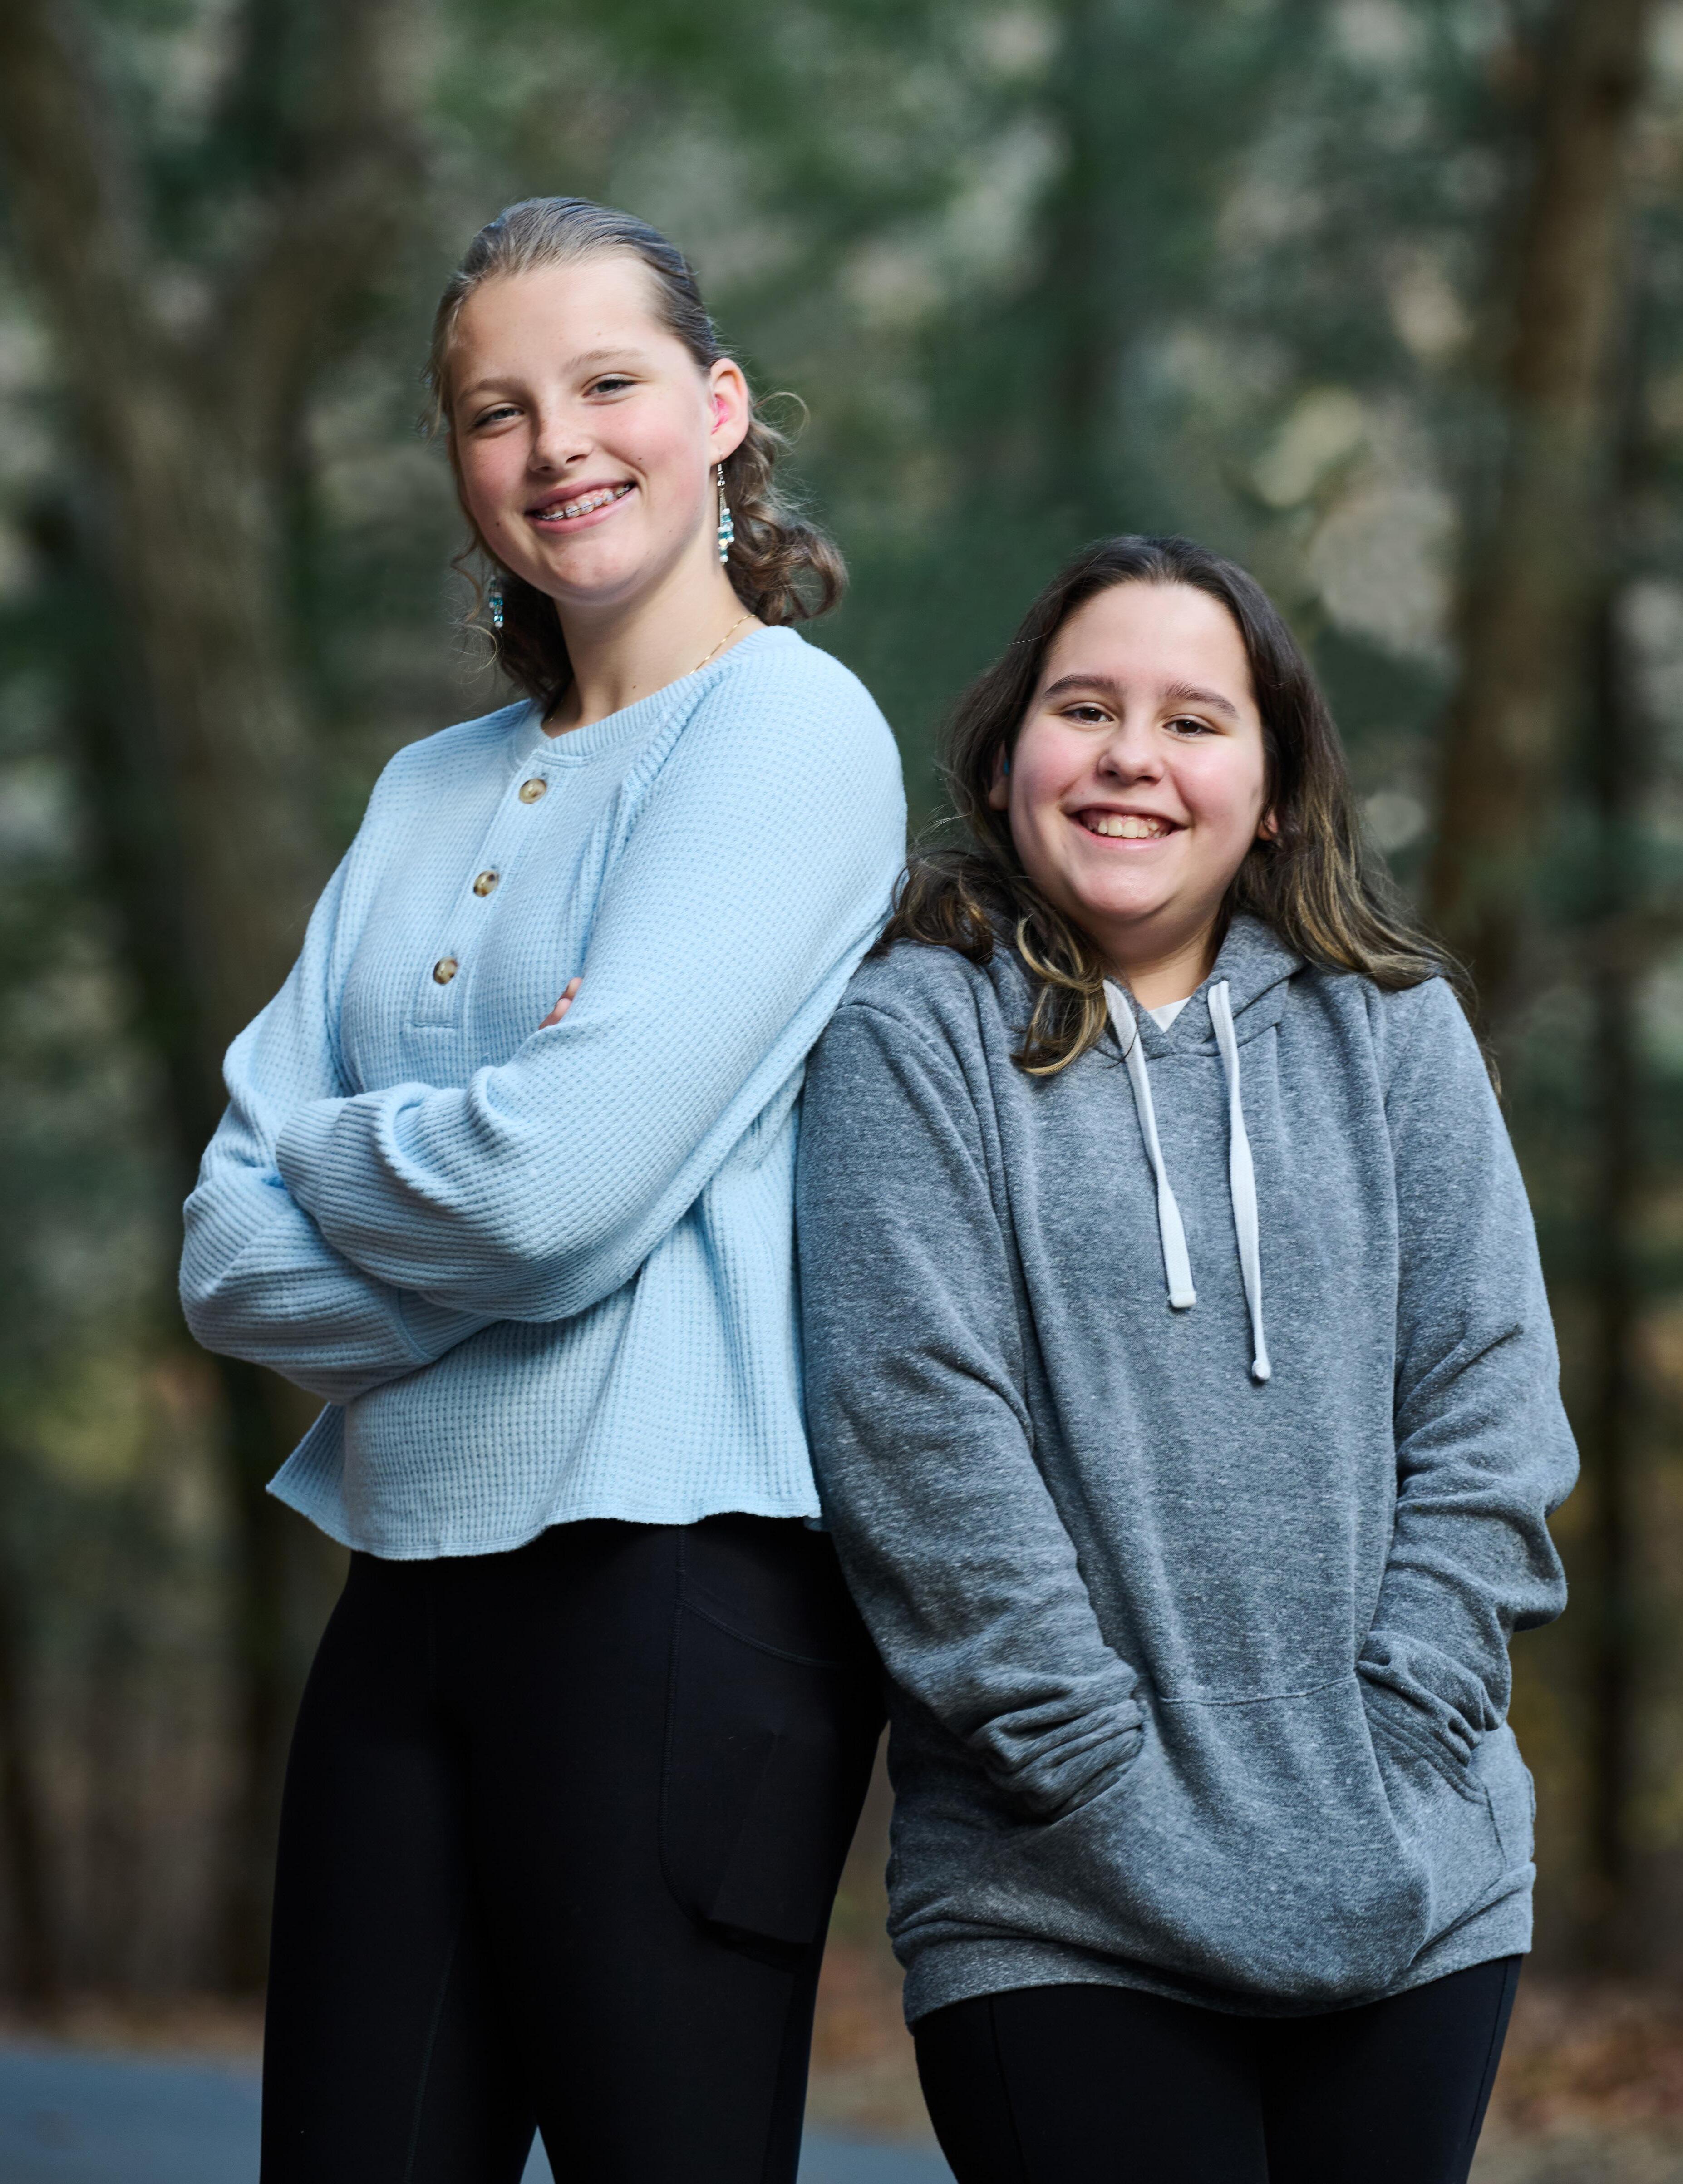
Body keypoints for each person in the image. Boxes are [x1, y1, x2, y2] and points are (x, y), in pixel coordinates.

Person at [180, 196, 903, 2184]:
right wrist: (488, 1161)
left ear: (720, 409)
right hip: (403, 1585)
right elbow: (224, 1257)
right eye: (496, 411)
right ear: (458, 462)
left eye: (606, 384)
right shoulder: (424, 788)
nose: (554, 445)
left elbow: (546, 1197)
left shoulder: (786, 731)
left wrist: (342, 1152)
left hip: (678, 1595)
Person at [795, 534, 1576, 2184]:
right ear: (1004, 761)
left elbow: (1491, 1410)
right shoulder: (912, 1034)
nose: (1131, 756)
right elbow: (916, 1444)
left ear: (1273, 790)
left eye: (1193, 720)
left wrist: (1405, 1730)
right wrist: (1094, 1780)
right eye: (1084, 709)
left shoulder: (1394, 1028)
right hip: (1055, 1895)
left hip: (1416, 1871)